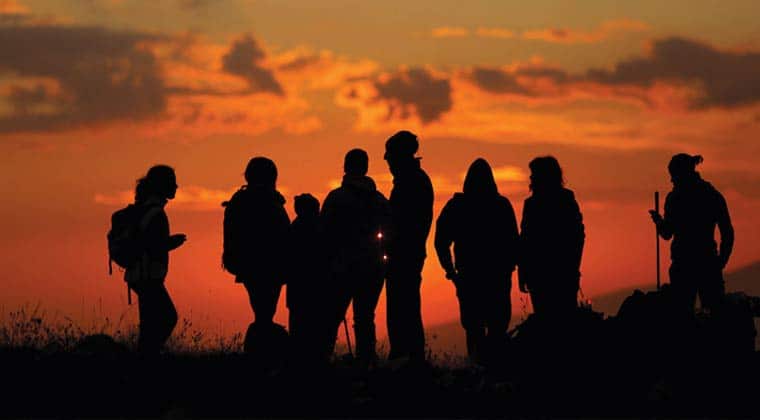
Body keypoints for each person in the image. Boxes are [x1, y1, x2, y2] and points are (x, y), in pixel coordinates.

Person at [434, 158, 519, 364]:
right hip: (495, 278)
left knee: (475, 330)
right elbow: (514, 243)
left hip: (471, 278)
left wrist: (451, 272)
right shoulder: (501, 205)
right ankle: (493, 374)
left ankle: (478, 373)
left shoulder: (457, 206)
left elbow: (440, 241)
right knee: (495, 328)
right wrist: (510, 267)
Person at [321, 149, 390, 364]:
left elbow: (323, 235)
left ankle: (322, 359)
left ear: (345, 167)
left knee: (332, 315)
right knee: (365, 317)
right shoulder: (380, 200)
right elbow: (390, 233)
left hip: (341, 267)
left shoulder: (335, 198)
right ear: (366, 168)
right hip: (373, 268)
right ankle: (366, 361)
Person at [649, 154, 734, 315]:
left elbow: (667, 233)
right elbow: (728, 232)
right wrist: (721, 261)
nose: (672, 181)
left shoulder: (675, 198)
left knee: (682, 317)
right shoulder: (712, 195)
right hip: (708, 263)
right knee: (716, 316)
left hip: (683, 265)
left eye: (673, 176)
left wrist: (658, 221)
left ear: (680, 174)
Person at [383, 131, 434, 362]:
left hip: (405, 255)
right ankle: (409, 357)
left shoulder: (411, 182)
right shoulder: (414, 180)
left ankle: (407, 357)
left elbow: (405, 223)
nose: (387, 161)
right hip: (407, 253)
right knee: (405, 305)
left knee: (403, 307)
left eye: (390, 156)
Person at [126, 165, 186, 355]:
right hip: (147, 275)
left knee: (150, 322)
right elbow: (152, 245)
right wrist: (171, 243)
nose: (176, 186)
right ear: (162, 185)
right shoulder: (155, 213)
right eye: (172, 182)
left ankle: (145, 358)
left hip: (139, 274)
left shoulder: (145, 209)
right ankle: (147, 356)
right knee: (168, 317)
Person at [223, 157, 290, 326]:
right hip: (271, 264)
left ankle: (261, 340)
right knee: (266, 310)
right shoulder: (272, 202)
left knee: (261, 308)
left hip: (247, 263)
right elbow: (283, 234)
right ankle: (263, 342)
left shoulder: (239, 201)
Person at [518, 156, 585, 318]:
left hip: (553, 275)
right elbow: (525, 241)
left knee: (553, 321)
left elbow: (576, 236)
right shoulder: (564, 200)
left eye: (534, 174)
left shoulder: (559, 201)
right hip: (547, 275)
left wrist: (572, 266)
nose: (531, 178)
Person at [287, 193, 331, 362]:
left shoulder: (294, 228)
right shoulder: (322, 228)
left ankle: (299, 361)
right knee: (317, 327)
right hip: (319, 287)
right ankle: (317, 360)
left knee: (298, 327)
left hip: (298, 288)